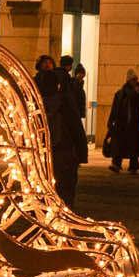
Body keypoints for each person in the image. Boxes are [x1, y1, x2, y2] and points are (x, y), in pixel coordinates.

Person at [43, 54, 89, 205]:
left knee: (49, 186)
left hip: (47, 150)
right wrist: (82, 153)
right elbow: (76, 127)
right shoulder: (65, 101)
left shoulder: (38, 104)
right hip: (64, 148)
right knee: (66, 187)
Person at [104, 70, 139, 175]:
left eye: (136, 79)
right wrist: (111, 121)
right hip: (121, 123)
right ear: (128, 81)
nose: (135, 81)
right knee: (119, 145)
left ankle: (133, 166)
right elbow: (115, 108)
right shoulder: (121, 93)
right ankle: (116, 164)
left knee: (133, 146)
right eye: (133, 80)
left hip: (134, 124)